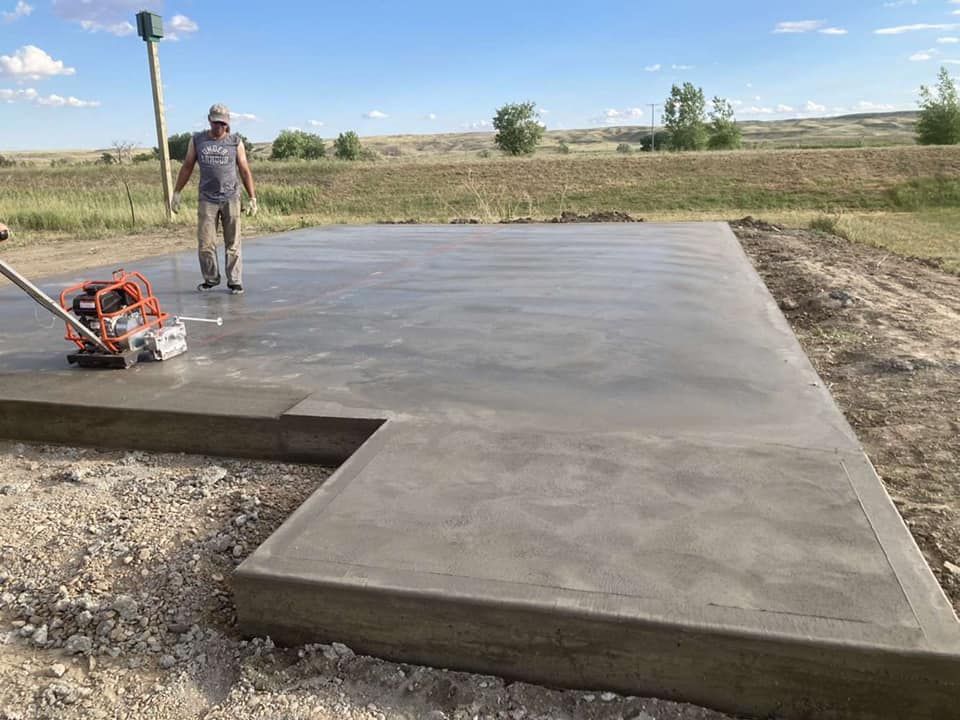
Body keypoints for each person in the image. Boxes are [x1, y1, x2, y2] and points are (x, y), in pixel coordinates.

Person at [171, 104, 257, 295]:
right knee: (205, 243)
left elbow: (244, 169)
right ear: (209, 120)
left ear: (227, 123)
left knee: (233, 242)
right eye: (215, 122)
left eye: (222, 123)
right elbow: (187, 166)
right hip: (207, 199)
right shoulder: (197, 140)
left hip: (231, 198)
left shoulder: (235, 142)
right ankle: (211, 278)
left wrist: (252, 197)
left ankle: (234, 280)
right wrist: (177, 192)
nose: (219, 126)